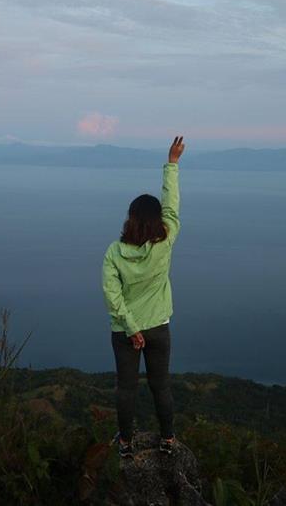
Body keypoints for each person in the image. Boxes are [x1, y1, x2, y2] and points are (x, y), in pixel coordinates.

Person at [102, 135, 185, 458]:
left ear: (131, 218)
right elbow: (172, 205)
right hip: (159, 328)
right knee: (160, 386)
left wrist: (132, 328)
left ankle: (125, 444)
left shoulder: (114, 253)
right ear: (156, 221)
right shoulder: (164, 245)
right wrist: (173, 163)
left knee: (126, 388)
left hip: (125, 332)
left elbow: (113, 295)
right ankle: (168, 440)